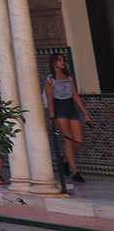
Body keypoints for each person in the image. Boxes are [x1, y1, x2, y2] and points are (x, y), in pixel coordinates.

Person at [46, 51, 91, 183]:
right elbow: (50, 100)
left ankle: (65, 160)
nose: (62, 62)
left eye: (63, 60)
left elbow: (76, 96)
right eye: (59, 60)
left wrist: (86, 113)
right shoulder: (50, 79)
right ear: (54, 62)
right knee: (69, 141)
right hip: (60, 109)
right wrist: (52, 117)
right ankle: (75, 172)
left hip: (71, 107)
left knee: (79, 141)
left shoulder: (69, 77)